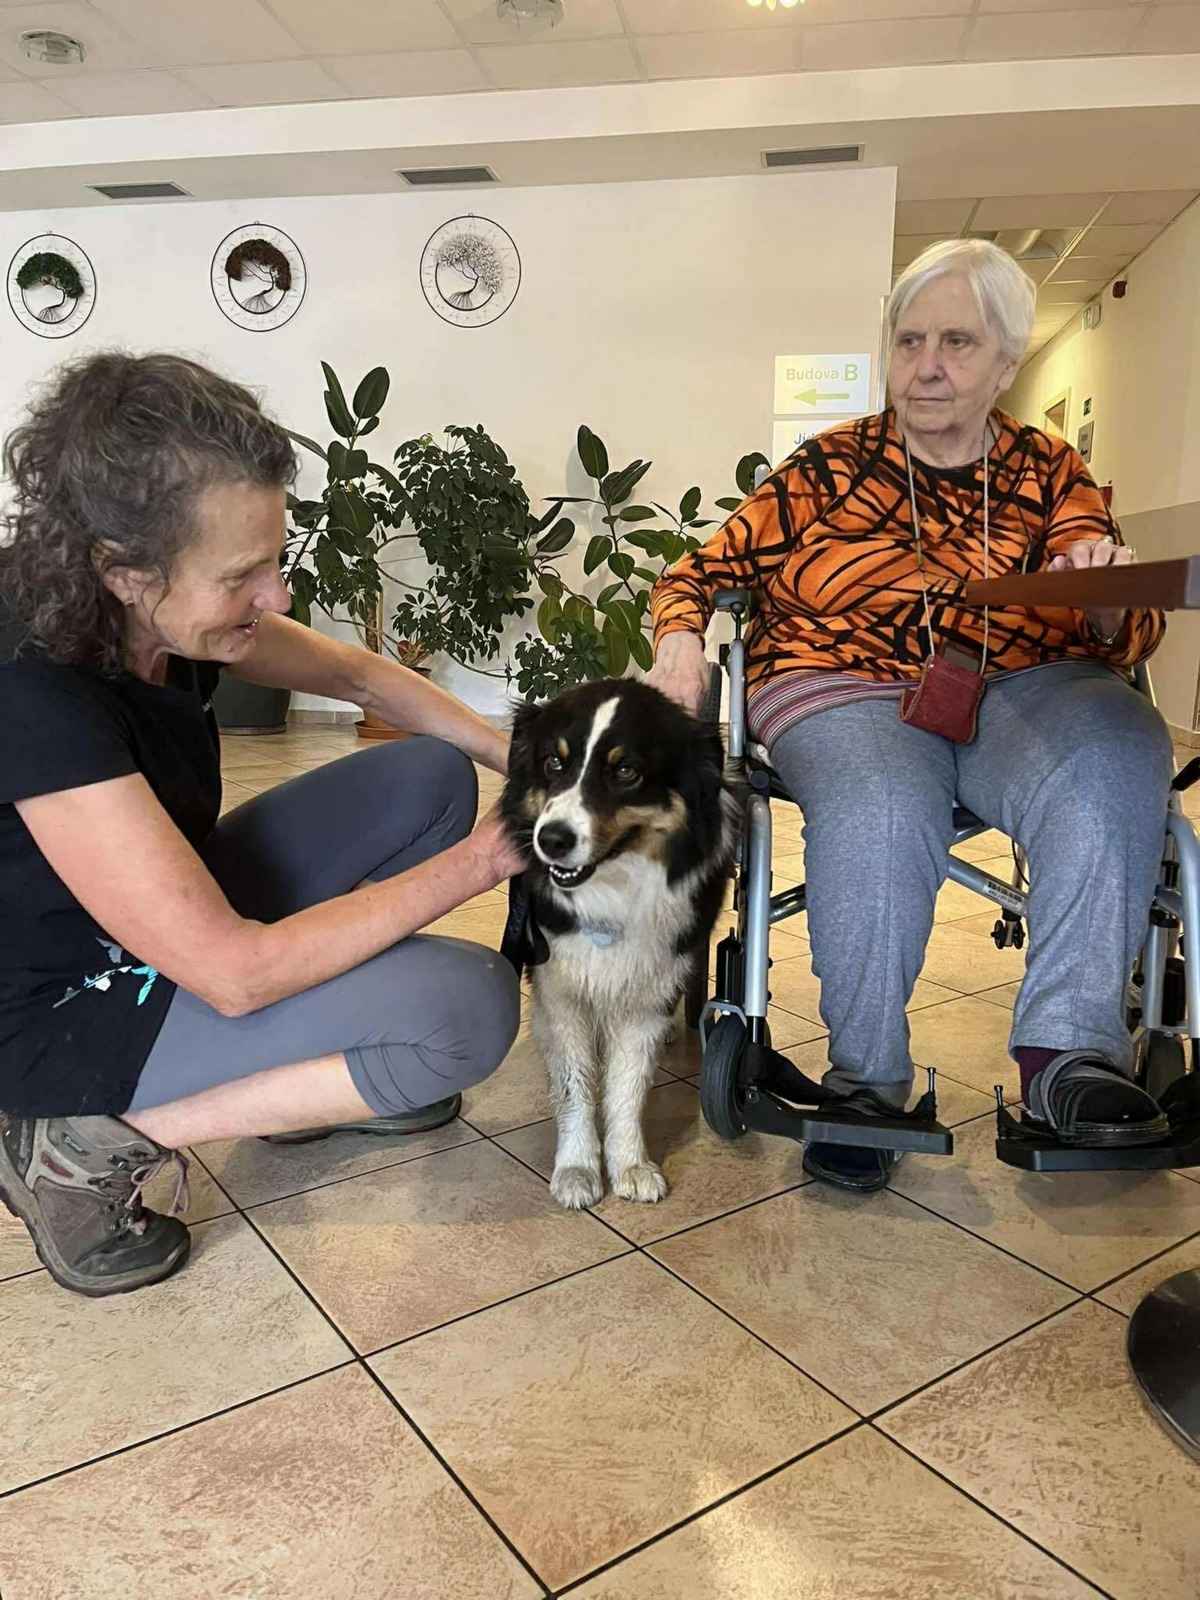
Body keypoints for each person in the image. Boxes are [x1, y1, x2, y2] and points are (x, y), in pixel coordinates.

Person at [648, 238, 1172, 1193]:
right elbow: (700, 570)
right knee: (883, 801)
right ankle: (868, 1081)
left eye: (957, 342)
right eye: (909, 340)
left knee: (1114, 753)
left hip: (1021, 683)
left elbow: (1127, 629)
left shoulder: (1049, 471)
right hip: (838, 679)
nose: (926, 365)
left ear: (1006, 363)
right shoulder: (830, 466)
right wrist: (680, 640)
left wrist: (1100, 605)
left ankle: (1071, 1055)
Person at [0, 353, 524, 1296]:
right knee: (468, 1008)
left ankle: (286, 1072)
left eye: (275, 560)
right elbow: (234, 974)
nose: (275, 596)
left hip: (158, 922)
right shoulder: (32, 690)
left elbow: (358, 676)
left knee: (431, 776)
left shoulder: (161, 616)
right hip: (63, 1009)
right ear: (123, 571)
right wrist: (491, 859)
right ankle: (74, 1150)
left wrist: (522, 761)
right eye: (243, 574)